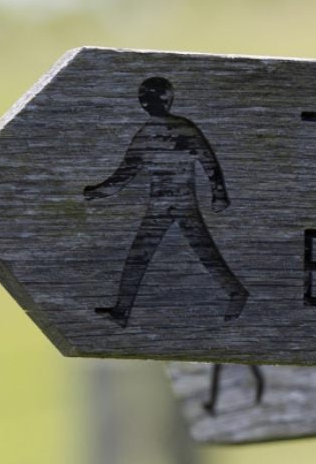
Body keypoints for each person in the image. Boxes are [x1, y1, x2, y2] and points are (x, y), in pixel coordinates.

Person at [87, 76, 249, 323]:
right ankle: (122, 311)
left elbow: (208, 161)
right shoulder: (153, 133)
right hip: (163, 204)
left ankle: (237, 293)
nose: (151, 102)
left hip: (178, 203)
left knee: (200, 253)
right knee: (143, 255)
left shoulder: (176, 129)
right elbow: (126, 172)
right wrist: (98, 191)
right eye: (148, 98)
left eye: (153, 97)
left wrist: (219, 194)